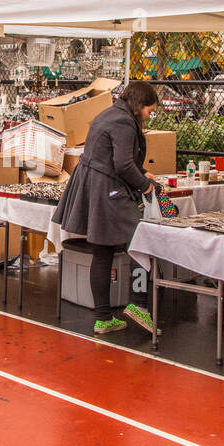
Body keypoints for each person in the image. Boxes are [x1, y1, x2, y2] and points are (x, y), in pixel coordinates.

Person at [52, 81, 161, 336]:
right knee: (141, 240)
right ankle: (139, 304)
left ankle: (102, 318)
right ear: (138, 104)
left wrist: (142, 171)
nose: (149, 115)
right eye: (148, 109)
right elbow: (122, 165)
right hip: (108, 189)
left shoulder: (109, 113)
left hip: (95, 186)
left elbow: (113, 157)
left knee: (102, 249)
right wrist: (146, 185)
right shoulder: (123, 122)